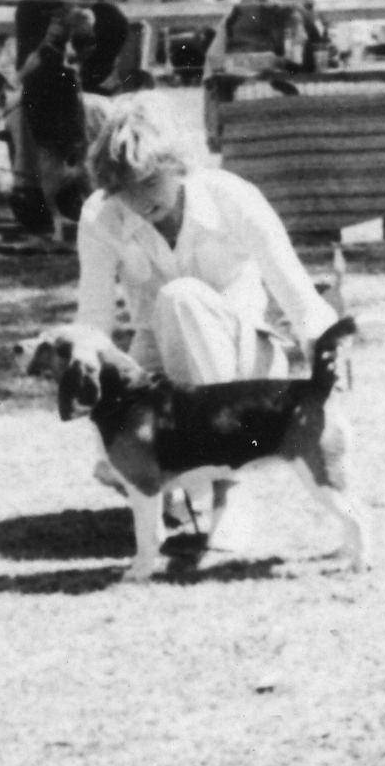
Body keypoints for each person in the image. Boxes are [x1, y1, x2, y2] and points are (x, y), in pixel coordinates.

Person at [71, 97, 342, 548]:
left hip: (245, 363)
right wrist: (87, 382)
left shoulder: (231, 194)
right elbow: (94, 317)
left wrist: (323, 349)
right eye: (124, 188)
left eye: (151, 181)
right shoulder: (99, 216)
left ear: (180, 166)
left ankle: (227, 491)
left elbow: (297, 291)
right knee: (116, 435)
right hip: (157, 358)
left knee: (181, 300)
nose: (140, 200)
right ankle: (173, 483)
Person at [8, 0, 133, 235]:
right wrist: (55, 38)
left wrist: (87, 42)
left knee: (90, 108)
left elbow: (101, 79)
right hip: (41, 88)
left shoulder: (111, 18)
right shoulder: (33, 5)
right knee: (17, 105)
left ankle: (100, 187)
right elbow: (24, 71)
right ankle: (29, 188)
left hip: (87, 96)